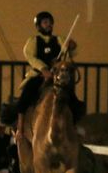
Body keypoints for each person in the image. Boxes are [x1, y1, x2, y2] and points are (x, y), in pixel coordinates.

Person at [14, 11, 79, 139]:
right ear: (39, 26)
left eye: (50, 22)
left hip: (57, 76)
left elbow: (69, 52)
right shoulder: (33, 41)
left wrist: (72, 47)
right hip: (39, 76)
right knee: (25, 96)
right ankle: (20, 128)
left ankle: (74, 126)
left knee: (73, 99)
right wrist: (43, 69)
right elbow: (30, 56)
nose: (49, 25)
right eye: (45, 22)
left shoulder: (59, 39)